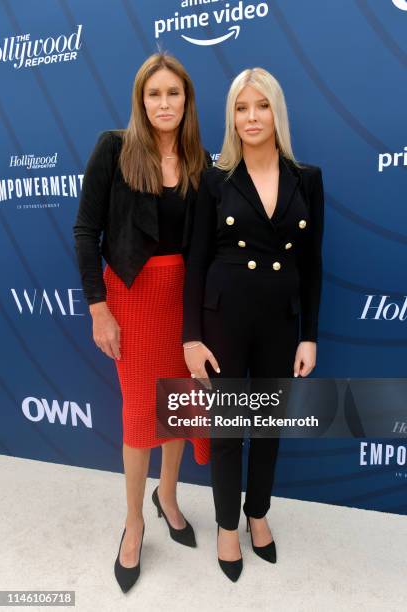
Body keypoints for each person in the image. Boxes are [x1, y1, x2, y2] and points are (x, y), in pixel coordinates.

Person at [73, 52, 211, 593]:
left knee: (176, 403)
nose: (164, 103)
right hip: (130, 298)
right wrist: (97, 307)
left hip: (185, 300)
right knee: (138, 416)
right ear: (140, 99)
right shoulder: (114, 148)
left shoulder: (200, 159)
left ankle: (168, 496)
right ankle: (134, 521)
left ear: (187, 100)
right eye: (154, 94)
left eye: (173, 93)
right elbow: (87, 233)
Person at [182, 67, 324, 582]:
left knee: (266, 429)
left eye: (261, 106)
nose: (251, 117)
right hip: (224, 320)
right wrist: (191, 337)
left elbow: (312, 264)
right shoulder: (214, 180)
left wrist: (309, 333)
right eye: (241, 108)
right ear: (231, 117)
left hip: (280, 322)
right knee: (227, 428)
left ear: (276, 112)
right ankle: (225, 524)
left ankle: (256, 513)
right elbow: (195, 261)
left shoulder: (307, 178)